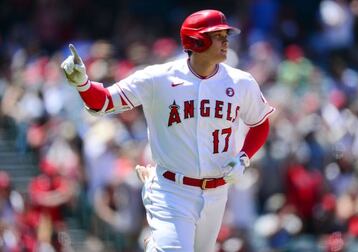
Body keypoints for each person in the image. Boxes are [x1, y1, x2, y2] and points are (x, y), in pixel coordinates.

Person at [61, 9, 275, 252]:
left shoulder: (241, 82)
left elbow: (260, 123)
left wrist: (244, 158)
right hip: (173, 190)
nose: (226, 40)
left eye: (226, 34)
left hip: (217, 193)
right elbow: (104, 102)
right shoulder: (158, 78)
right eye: (217, 35)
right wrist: (82, 84)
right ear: (196, 40)